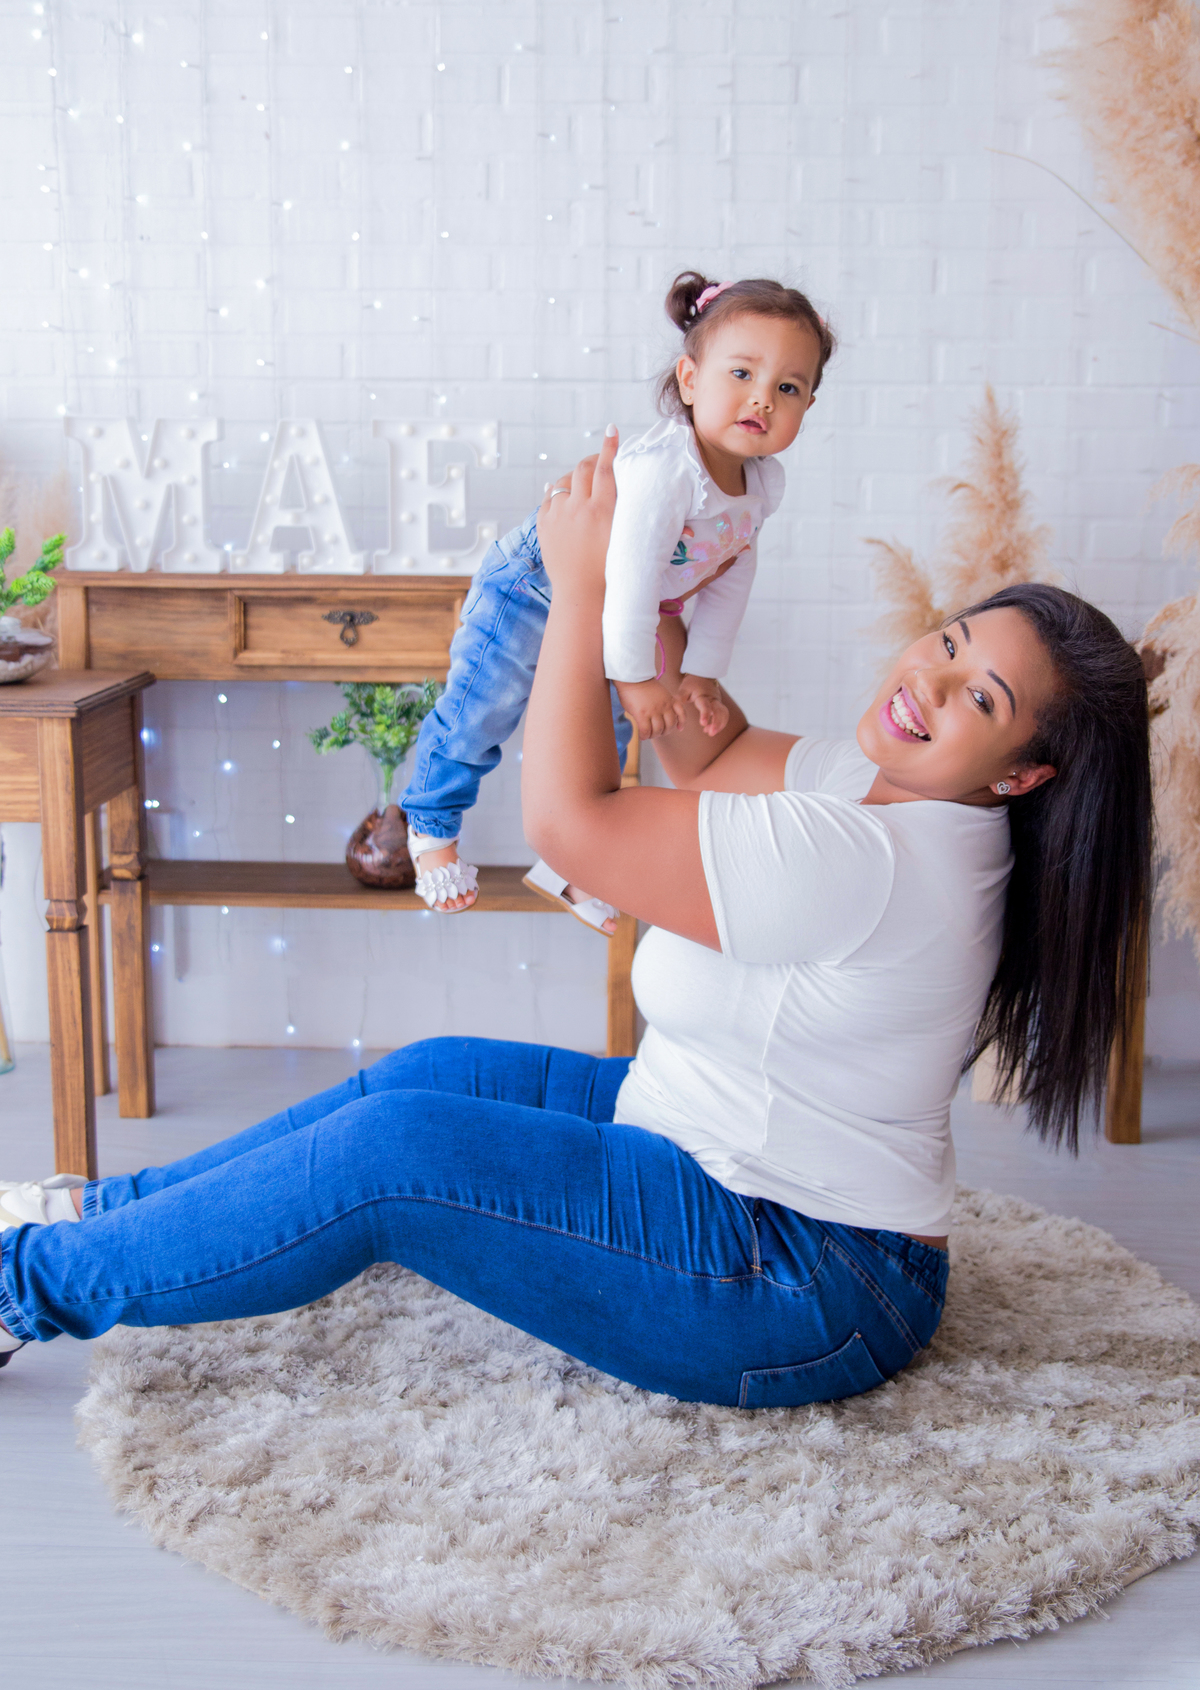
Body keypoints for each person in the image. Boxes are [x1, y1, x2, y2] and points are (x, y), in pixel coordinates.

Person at [0, 432, 1151, 1409]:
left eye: (979, 701)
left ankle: (27, 1283)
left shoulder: (870, 858)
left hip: (800, 1275)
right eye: (950, 645)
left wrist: (581, 587)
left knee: (396, 1157)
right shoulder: (884, 781)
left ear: (1021, 777)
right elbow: (704, 748)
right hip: (706, 1143)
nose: (930, 685)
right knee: (433, 1072)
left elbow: (571, 820)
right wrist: (655, 560)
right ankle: (99, 1212)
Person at [399, 272, 834, 930]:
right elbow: (626, 579)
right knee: (486, 706)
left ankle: (574, 870)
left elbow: (730, 576)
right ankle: (430, 828)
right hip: (540, 584)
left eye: (788, 388)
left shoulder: (760, 485)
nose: (762, 400)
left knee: (604, 742)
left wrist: (700, 676)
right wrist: (638, 680)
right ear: (690, 380)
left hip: (626, 616)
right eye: (741, 373)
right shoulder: (668, 470)